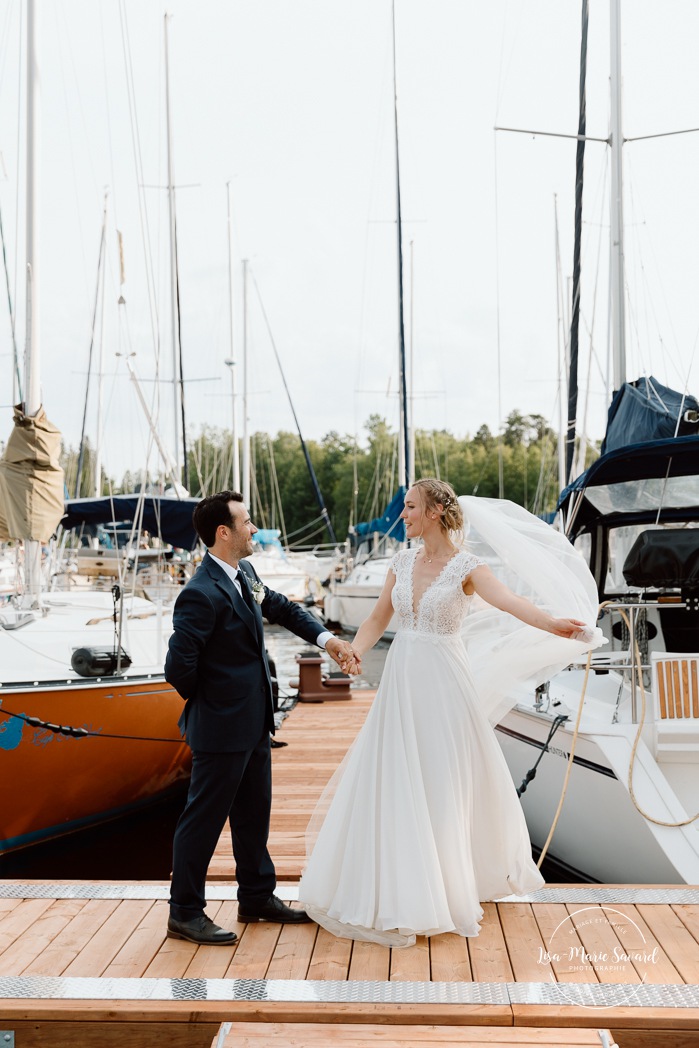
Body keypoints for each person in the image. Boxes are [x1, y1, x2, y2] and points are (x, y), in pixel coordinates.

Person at [298, 478, 601, 948]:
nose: (403, 515)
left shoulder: (468, 567)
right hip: (402, 679)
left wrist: (553, 624)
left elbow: (512, 603)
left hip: (444, 681)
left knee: (443, 777)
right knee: (398, 774)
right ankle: (402, 883)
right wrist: (354, 652)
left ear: (436, 511)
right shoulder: (400, 562)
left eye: (410, 507)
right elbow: (378, 618)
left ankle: (447, 884)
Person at [164, 490, 356, 946]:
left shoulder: (244, 573)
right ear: (223, 532)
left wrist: (328, 640)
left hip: (254, 723)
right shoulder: (199, 594)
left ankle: (256, 897)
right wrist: (217, 703)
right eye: (247, 523)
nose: (254, 529)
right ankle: (184, 912)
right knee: (202, 822)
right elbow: (178, 669)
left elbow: (283, 608)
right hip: (220, 727)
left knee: (254, 816)